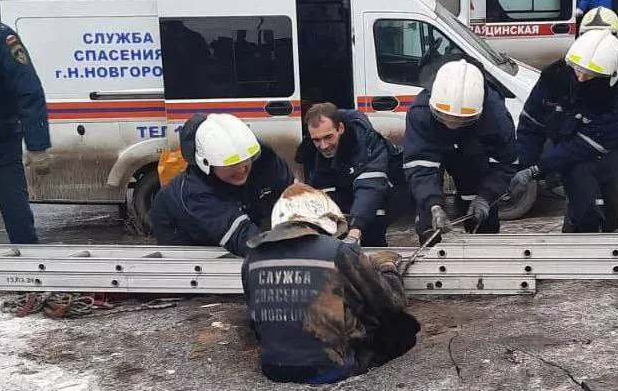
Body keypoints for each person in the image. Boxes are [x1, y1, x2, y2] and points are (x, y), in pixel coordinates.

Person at [243, 183, 419, 384]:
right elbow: (389, 301)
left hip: (273, 368)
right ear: (322, 219)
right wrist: (387, 266)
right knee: (403, 328)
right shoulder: (337, 251)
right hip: (329, 368)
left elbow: (254, 315)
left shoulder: (252, 258)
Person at [511, 28, 618, 233]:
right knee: (582, 208)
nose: (581, 78)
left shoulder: (617, 97)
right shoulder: (554, 78)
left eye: (589, 75)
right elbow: (532, 123)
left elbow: (587, 143)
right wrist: (524, 165)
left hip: (608, 152)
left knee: (610, 208)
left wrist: (538, 168)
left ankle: (608, 238)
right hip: (569, 149)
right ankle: (576, 233)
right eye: (578, 71)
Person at [403, 59, 518, 245]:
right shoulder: (420, 113)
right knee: (427, 214)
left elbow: (505, 163)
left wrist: (486, 196)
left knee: (483, 215)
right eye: (446, 118)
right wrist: (433, 205)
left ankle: (484, 249)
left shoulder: (496, 117)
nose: (452, 125)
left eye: (460, 121)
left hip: (473, 154)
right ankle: (430, 249)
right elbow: (419, 165)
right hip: (435, 146)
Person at [150, 113, 294, 256]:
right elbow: (242, 237)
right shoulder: (196, 191)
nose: (242, 170)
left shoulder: (263, 157)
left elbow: (292, 194)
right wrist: (283, 255)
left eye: (246, 161)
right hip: (180, 229)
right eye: (231, 165)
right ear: (208, 165)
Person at [296, 102, 409, 248]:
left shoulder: (367, 141)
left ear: (341, 128)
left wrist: (355, 231)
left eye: (328, 137)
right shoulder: (310, 150)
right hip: (345, 185)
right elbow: (320, 191)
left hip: (386, 189)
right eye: (317, 140)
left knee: (371, 223)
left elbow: (370, 188)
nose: (323, 146)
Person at [0, 9, 51, 244]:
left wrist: (38, 146)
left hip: (0, 144)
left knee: (18, 217)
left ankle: (30, 262)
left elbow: (28, 91)